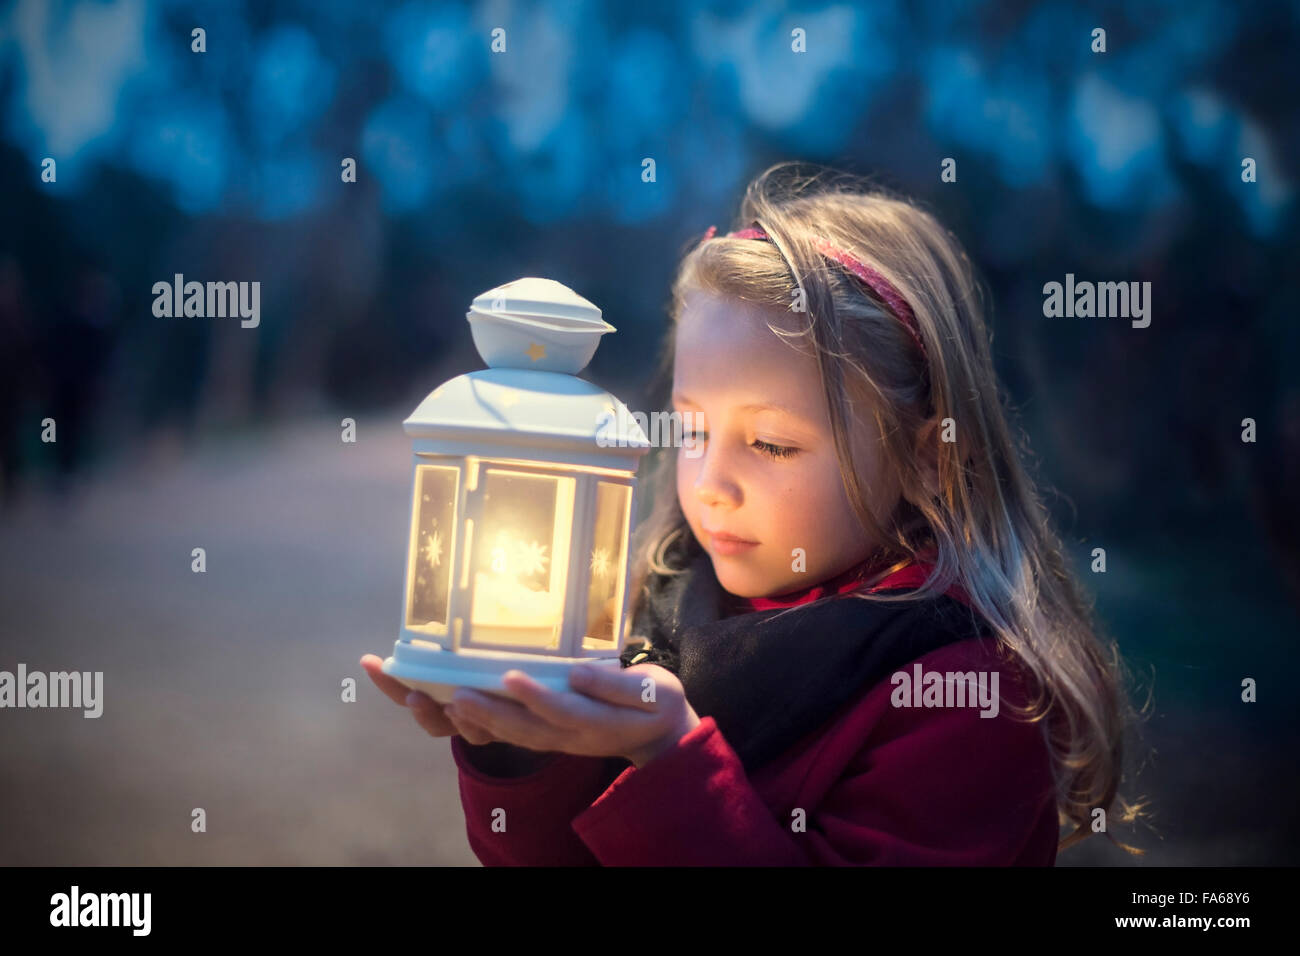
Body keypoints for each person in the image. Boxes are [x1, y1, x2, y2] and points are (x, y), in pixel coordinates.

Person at [362, 161, 1147, 865]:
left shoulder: (961, 693)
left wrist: (673, 761)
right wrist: (517, 749)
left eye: (771, 444)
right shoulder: (654, 613)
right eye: (693, 429)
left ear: (924, 458)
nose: (711, 484)